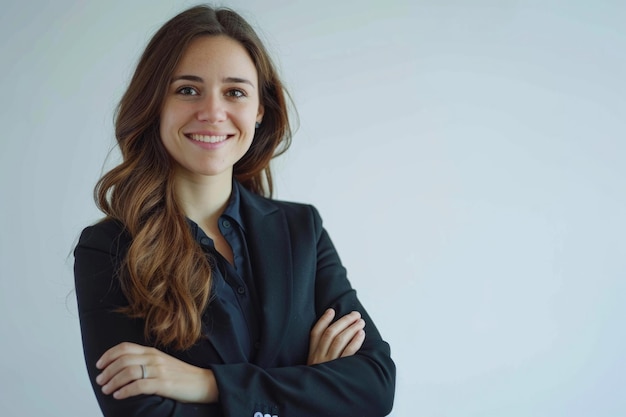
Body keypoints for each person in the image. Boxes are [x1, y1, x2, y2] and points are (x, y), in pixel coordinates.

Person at [74, 5, 395, 417]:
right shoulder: (109, 249)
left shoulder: (302, 230)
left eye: (235, 92)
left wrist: (206, 383)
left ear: (260, 110)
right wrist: (308, 387)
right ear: (155, 104)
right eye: (187, 89)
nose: (212, 112)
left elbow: (375, 386)